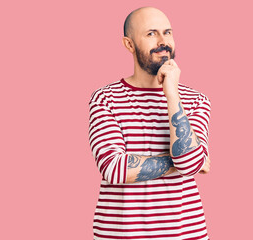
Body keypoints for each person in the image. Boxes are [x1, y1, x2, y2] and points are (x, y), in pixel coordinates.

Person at [88, 6, 212, 240]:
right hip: (120, 235)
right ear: (129, 44)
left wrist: (172, 94)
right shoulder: (105, 99)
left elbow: (190, 162)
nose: (163, 41)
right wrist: (184, 162)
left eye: (167, 32)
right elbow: (114, 169)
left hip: (185, 234)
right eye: (151, 33)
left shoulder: (196, 100)